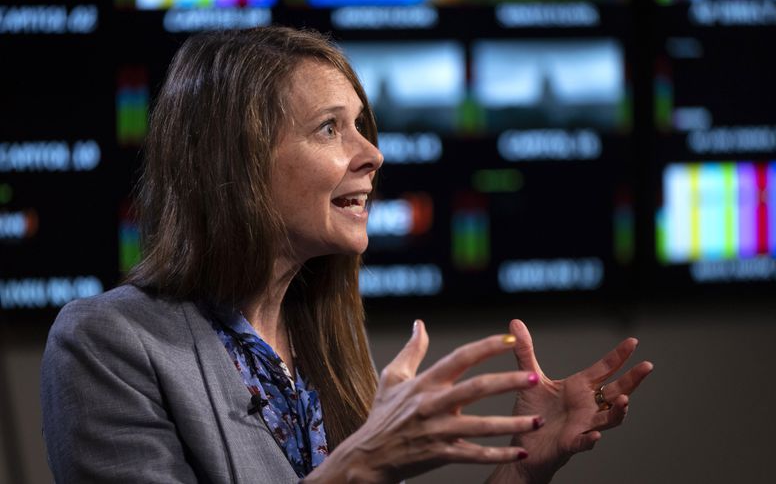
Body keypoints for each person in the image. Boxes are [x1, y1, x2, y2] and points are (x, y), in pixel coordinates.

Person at [40, 26, 653, 483]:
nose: (373, 155)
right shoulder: (107, 343)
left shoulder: (322, 347)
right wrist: (363, 463)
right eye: (330, 128)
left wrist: (526, 466)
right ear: (236, 162)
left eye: (362, 126)